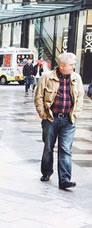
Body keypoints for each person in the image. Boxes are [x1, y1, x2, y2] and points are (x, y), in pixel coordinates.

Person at [34, 52, 84, 190]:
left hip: (68, 120)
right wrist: (43, 115)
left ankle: (64, 180)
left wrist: (75, 114)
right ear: (62, 66)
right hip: (51, 118)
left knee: (65, 149)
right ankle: (46, 172)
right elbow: (38, 97)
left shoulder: (76, 78)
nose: (73, 67)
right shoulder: (47, 77)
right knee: (48, 147)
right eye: (71, 65)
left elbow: (80, 97)